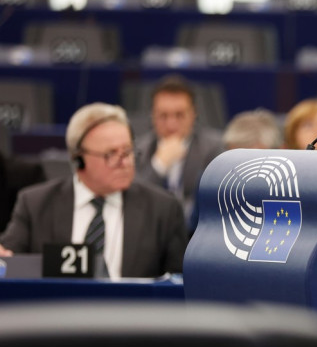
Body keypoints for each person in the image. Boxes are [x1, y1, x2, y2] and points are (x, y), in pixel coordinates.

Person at [0, 103, 187, 278]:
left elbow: (178, 284)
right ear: (78, 160)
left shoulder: (163, 209)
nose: (125, 163)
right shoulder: (35, 204)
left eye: (128, 152)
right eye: (111, 154)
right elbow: (8, 260)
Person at [134, 75, 224, 223]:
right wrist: (159, 165)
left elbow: (212, 203)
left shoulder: (213, 149)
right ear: (152, 116)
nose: (171, 124)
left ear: (193, 114)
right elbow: (135, 201)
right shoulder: (139, 150)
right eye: (163, 115)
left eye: (179, 115)